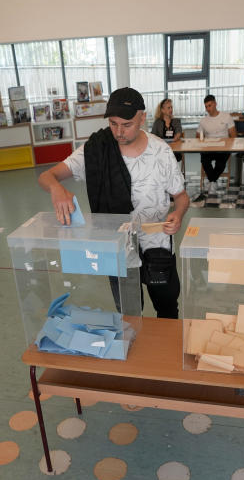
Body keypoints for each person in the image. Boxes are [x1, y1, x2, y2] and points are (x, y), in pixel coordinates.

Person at [37, 87, 189, 318]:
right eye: (113, 123)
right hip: (118, 246)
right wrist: (56, 188)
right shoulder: (97, 149)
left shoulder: (161, 152)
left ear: (142, 117)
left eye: (126, 124)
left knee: (167, 307)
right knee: (129, 312)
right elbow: (46, 176)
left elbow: (181, 197)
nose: (118, 131)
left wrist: (178, 214)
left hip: (157, 242)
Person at [196, 94, 237, 200]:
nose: (208, 109)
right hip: (209, 147)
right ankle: (213, 181)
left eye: (210, 105)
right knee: (204, 159)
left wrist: (228, 145)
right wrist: (202, 139)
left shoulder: (226, 116)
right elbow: (197, 136)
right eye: (206, 107)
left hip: (223, 147)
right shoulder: (204, 120)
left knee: (220, 162)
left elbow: (233, 136)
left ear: (215, 104)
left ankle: (211, 182)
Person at [150, 98, 183, 162]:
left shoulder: (176, 121)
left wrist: (177, 137)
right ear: (162, 110)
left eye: (171, 107)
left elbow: (179, 133)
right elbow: (153, 136)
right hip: (161, 150)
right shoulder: (157, 122)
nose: (171, 109)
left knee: (171, 158)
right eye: (168, 108)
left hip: (175, 151)